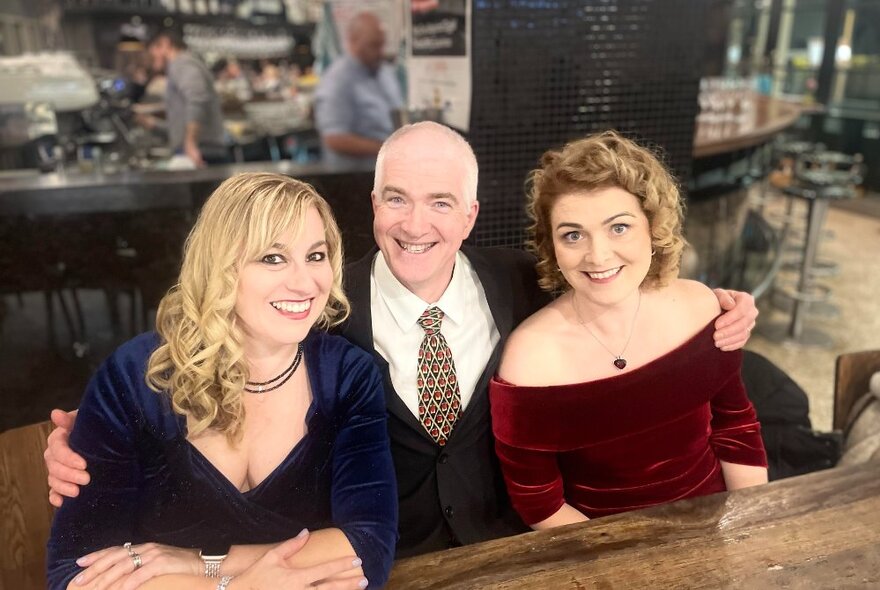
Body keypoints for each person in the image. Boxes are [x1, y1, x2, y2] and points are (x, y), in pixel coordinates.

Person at [45, 123, 758, 558]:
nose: (417, 224)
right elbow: (207, 346)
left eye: (441, 202)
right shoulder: (313, 306)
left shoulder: (529, 283)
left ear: (472, 214)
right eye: (398, 198)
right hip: (379, 565)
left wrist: (725, 310)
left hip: (518, 552)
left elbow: (623, 297)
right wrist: (100, 437)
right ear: (374, 203)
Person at [46, 173, 397, 589]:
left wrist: (201, 565)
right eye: (273, 258)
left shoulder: (348, 375)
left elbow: (369, 549)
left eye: (316, 256)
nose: (305, 283)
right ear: (221, 267)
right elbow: (75, 573)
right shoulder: (136, 378)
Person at [490, 131, 769, 530]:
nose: (598, 255)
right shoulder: (528, 359)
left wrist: (749, 528)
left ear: (653, 229)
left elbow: (735, 428)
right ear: (552, 247)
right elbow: (538, 502)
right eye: (573, 235)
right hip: (600, 551)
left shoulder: (701, 307)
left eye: (618, 227)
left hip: (717, 524)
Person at [313, 12, 403, 166]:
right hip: (353, 178)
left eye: (382, 44)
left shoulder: (385, 72)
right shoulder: (337, 80)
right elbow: (335, 139)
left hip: (390, 170)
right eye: (373, 45)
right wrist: (388, 149)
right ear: (353, 41)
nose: (380, 51)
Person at [138, 30, 227, 167]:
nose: (151, 57)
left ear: (165, 45)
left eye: (153, 51)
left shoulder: (182, 63)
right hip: (200, 149)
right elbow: (184, 120)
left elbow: (197, 98)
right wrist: (153, 124)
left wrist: (190, 143)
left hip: (201, 151)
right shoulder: (181, 65)